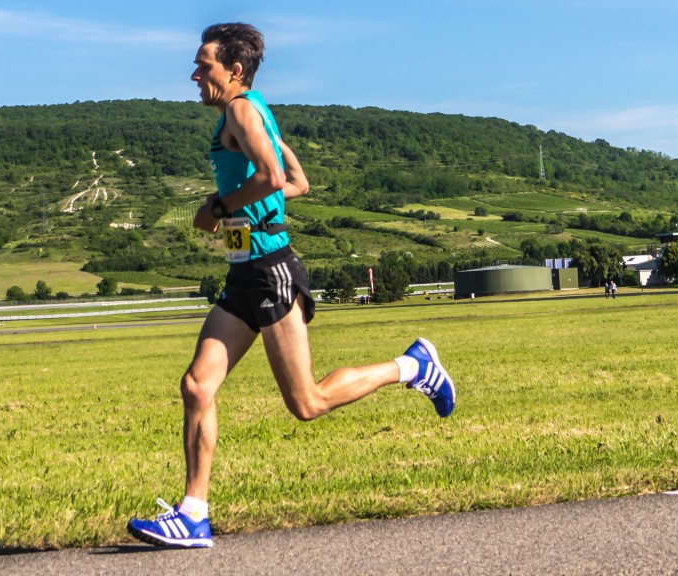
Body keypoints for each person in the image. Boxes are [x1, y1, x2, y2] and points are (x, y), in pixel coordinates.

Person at [126, 23, 456, 549]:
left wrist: (218, 207)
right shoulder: (253, 112)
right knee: (197, 386)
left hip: (271, 273)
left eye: (203, 66)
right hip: (244, 274)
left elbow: (275, 179)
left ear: (234, 70)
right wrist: (252, 188)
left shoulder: (241, 111)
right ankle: (192, 515)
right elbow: (296, 181)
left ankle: (413, 367)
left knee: (307, 402)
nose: (193, 75)